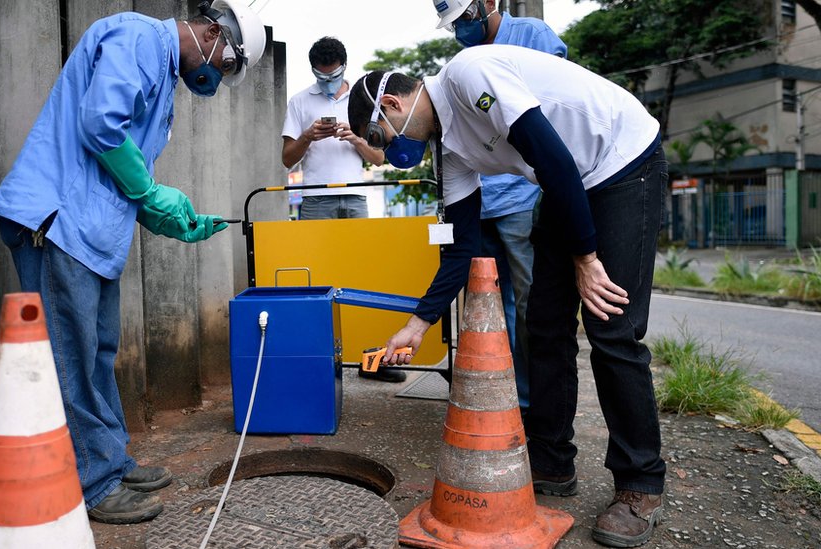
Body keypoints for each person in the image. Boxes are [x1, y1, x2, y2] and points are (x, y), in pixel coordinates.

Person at [348, 46, 667, 548]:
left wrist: (586, 259)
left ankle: (640, 484)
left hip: (622, 162)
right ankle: (552, 461)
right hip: (567, 183)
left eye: (377, 137)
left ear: (390, 103)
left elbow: (552, 157)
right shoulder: (451, 151)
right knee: (542, 323)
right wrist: (418, 323)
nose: (385, 152)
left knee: (612, 326)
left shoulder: (469, 73)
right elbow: (461, 249)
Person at [0, 1, 266, 525]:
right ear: (212, 32)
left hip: (90, 230)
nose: (216, 75)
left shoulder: (162, 75)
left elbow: (125, 166)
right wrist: (150, 191)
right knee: (72, 354)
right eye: (226, 64)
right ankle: (93, 482)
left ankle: (111, 461)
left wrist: (164, 215)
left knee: (98, 352)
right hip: (58, 221)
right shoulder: (138, 38)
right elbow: (100, 125)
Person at [432, 0, 568, 414]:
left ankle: (535, 403)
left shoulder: (533, 36)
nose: (460, 30)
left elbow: (554, 112)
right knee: (492, 305)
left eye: (465, 19)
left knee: (531, 304)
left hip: (523, 196)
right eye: (452, 24)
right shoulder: (464, 60)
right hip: (480, 201)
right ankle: (504, 397)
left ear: (489, 2)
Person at [280, 37, 403, 383]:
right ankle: (318, 359)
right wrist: (307, 136)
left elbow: (381, 158)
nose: (327, 82)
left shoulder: (365, 101)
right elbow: (287, 159)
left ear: (345, 68)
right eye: (321, 77)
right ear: (313, 72)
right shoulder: (300, 101)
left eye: (332, 76)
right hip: (315, 199)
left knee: (362, 277)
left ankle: (369, 359)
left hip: (356, 196)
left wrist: (356, 138)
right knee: (315, 279)